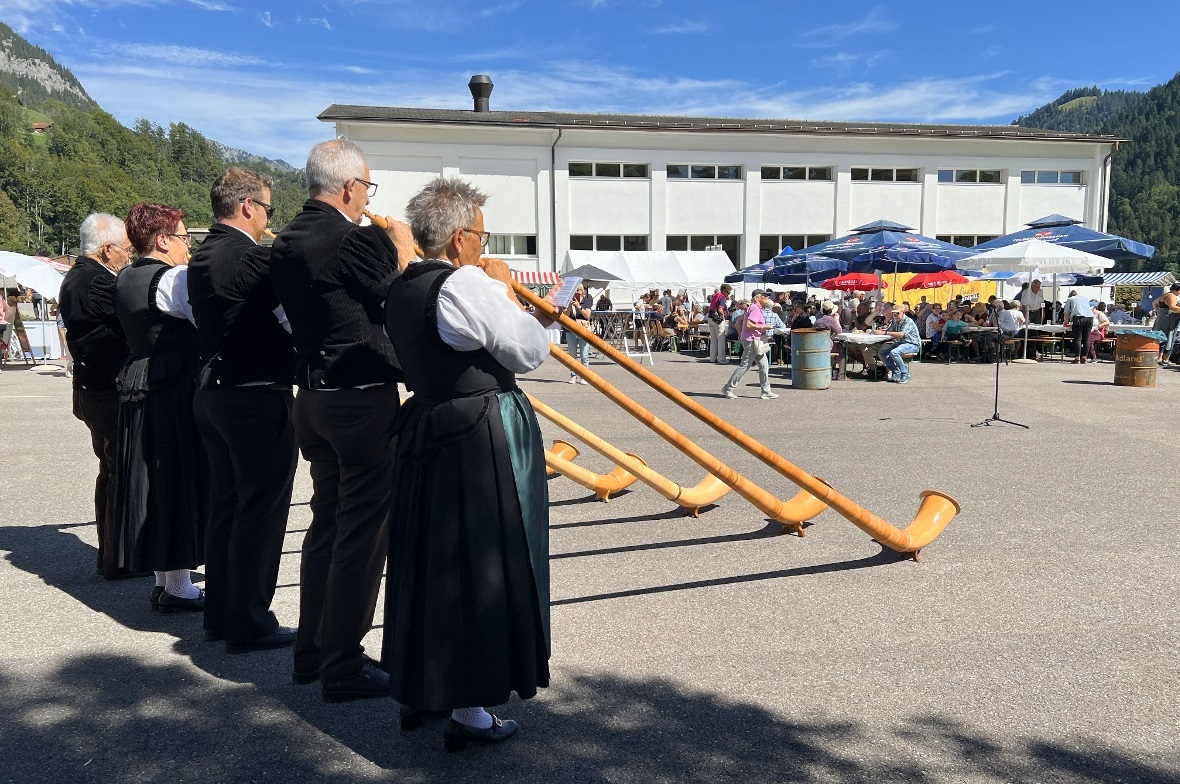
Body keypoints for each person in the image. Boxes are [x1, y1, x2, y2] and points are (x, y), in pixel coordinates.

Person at [381, 177, 554, 750]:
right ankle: (468, 708)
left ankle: (420, 688)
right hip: (476, 433)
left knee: (429, 561)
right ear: (459, 239)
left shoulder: (403, 287)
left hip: (427, 426)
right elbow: (528, 351)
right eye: (481, 235)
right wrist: (503, 291)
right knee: (480, 563)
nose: (484, 244)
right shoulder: (466, 285)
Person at [270, 139, 416, 700]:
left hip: (312, 395)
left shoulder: (286, 240)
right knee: (361, 533)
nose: (367, 199)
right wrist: (401, 248)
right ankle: (343, 664)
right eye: (367, 188)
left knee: (326, 524)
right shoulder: (352, 240)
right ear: (352, 186)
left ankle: (312, 651)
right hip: (359, 398)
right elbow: (402, 301)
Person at [187, 168, 299, 654]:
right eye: (269, 210)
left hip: (215, 392)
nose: (269, 220)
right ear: (248, 206)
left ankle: (222, 616)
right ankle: (250, 621)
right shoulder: (246, 256)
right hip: (253, 396)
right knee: (261, 513)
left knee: (228, 508)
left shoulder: (203, 253)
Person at [113, 203, 208, 613]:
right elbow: (207, 321)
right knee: (176, 473)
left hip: (141, 377)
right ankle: (177, 585)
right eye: (185, 238)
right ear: (164, 240)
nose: (188, 246)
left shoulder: (125, 276)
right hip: (171, 384)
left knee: (151, 474)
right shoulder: (173, 279)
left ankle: (166, 579)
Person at [58, 213, 135, 580]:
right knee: (119, 471)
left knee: (110, 470)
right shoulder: (97, 281)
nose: (129, 258)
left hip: (92, 388)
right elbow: (128, 324)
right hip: (106, 391)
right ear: (107, 249)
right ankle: (117, 558)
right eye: (126, 251)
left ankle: (112, 554)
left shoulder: (77, 277)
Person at [721, 289, 778, 400]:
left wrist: (742, 333)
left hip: (754, 340)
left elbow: (740, 321)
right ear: (757, 298)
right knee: (745, 366)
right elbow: (749, 324)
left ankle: (766, 391)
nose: (767, 298)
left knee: (764, 366)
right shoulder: (755, 308)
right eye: (764, 296)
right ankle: (728, 388)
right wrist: (764, 327)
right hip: (753, 341)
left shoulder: (753, 308)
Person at [874, 306, 921, 384]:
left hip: (912, 344)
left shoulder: (908, 321)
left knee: (894, 352)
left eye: (897, 313)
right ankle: (896, 372)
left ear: (903, 312)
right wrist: (876, 331)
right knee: (882, 352)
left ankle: (905, 374)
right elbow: (889, 330)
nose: (895, 315)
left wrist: (885, 333)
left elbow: (900, 334)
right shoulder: (895, 320)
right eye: (893, 313)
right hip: (901, 343)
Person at [564, 283, 591, 383]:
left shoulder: (586, 301)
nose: (577, 292)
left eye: (579, 290)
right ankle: (573, 375)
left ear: (582, 291)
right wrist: (570, 306)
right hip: (570, 330)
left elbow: (587, 315)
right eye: (575, 290)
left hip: (583, 330)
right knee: (572, 355)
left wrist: (579, 306)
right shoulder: (568, 300)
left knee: (584, 355)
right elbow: (565, 315)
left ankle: (584, 376)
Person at [1063, 289, 1095, 364]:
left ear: (1070, 295)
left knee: (1078, 339)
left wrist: (1066, 321)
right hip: (1090, 318)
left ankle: (1077, 358)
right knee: (1086, 339)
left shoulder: (1070, 299)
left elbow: (1066, 312)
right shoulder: (1085, 298)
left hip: (1078, 318)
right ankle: (1084, 357)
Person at [1151, 283, 1180, 363]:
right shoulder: (1172, 296)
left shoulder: (1164, 295)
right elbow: (1173, 307)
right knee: (1168, 338)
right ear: (1177, 290)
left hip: (1161, 318)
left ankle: (1159, 357)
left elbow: (1154, 303)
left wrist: (1158, 312)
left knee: (1160, 337)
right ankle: (1165, 358)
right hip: (1169, 319)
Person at [706, 283, 731, 364]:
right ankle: (721, 359)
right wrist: (723, 317)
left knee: (713, 339)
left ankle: (712, 358)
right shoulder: (722, 297)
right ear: (724, 291)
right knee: (721, 339)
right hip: (718, 320)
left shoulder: (716, 295)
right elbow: (720, 309)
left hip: (710, 318)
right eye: (728, 292)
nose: (729, 294)